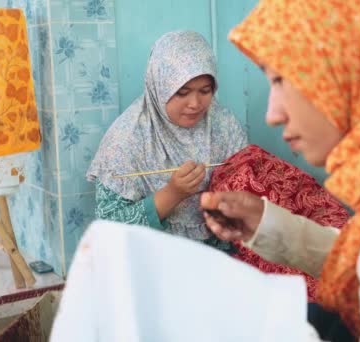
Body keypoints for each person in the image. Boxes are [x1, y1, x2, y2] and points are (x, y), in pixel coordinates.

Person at [56, 0, 360, 341]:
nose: (271, 113)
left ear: (351, 67)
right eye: (182, 93)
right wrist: (264, 222)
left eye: (280, 80)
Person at [86, 30, 247, 252]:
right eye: (182, 92)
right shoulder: (126, 139)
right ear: (159, 86)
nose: (195, 103)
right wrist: (173, 193)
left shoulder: (223, 125)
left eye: (205, 91)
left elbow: (248, 198)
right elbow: (108, 231)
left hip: (218, 260)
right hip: (151, 261)